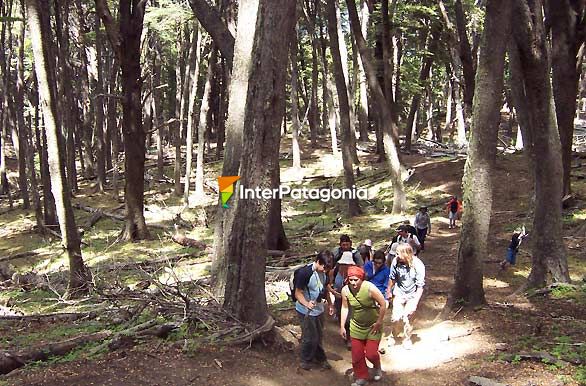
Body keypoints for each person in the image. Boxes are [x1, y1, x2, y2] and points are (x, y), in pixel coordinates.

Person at [340, 266, 387, 386]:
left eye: (356, 280)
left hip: (373, 326)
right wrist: (342, 326)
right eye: (351, 280)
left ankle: (377, 366)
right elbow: (345, 307)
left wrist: (379, 322)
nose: (354, 283)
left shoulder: (370, 288)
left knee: (371, 353)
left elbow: (382, 304)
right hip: (356, 326)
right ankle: (362, 377)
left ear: (361, 279)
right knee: (357, 355)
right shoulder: (345, 290)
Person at [295, 250, 334, 370]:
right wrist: (306, 304)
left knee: (319, 335)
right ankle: (305, 359)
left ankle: (320, 358)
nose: (325, 270)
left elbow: (325, 289)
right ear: (318, 261)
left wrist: (331, 304)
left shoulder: (324, 273)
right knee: (310, 336)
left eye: (328, 268)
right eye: (324, 267)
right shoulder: (305, 273)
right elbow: (298, 293)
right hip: (305, 310)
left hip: (319, 309)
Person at [386, 243, 425, 350]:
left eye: (398, 254)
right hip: (399, 292)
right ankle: (393, 334)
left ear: (406, 254)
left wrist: (415, 303)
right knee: (396, 318)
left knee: (407, 318)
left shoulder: (418, 265)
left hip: (412, 295)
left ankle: (407, 339)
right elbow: (392, 278)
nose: (397, 256)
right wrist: (389, 291)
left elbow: (420, 286)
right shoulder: (395, 261)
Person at [328, 251, 355, 349]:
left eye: (347, 264)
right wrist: (333, 291)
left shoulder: (353, 274)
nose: (346, 266)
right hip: (338, 298)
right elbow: (328, 284)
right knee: (341, 316)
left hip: (350, 299)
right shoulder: (335, 271)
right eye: (344, 264)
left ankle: (350, 339)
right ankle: (345, 334)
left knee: (350, 318)